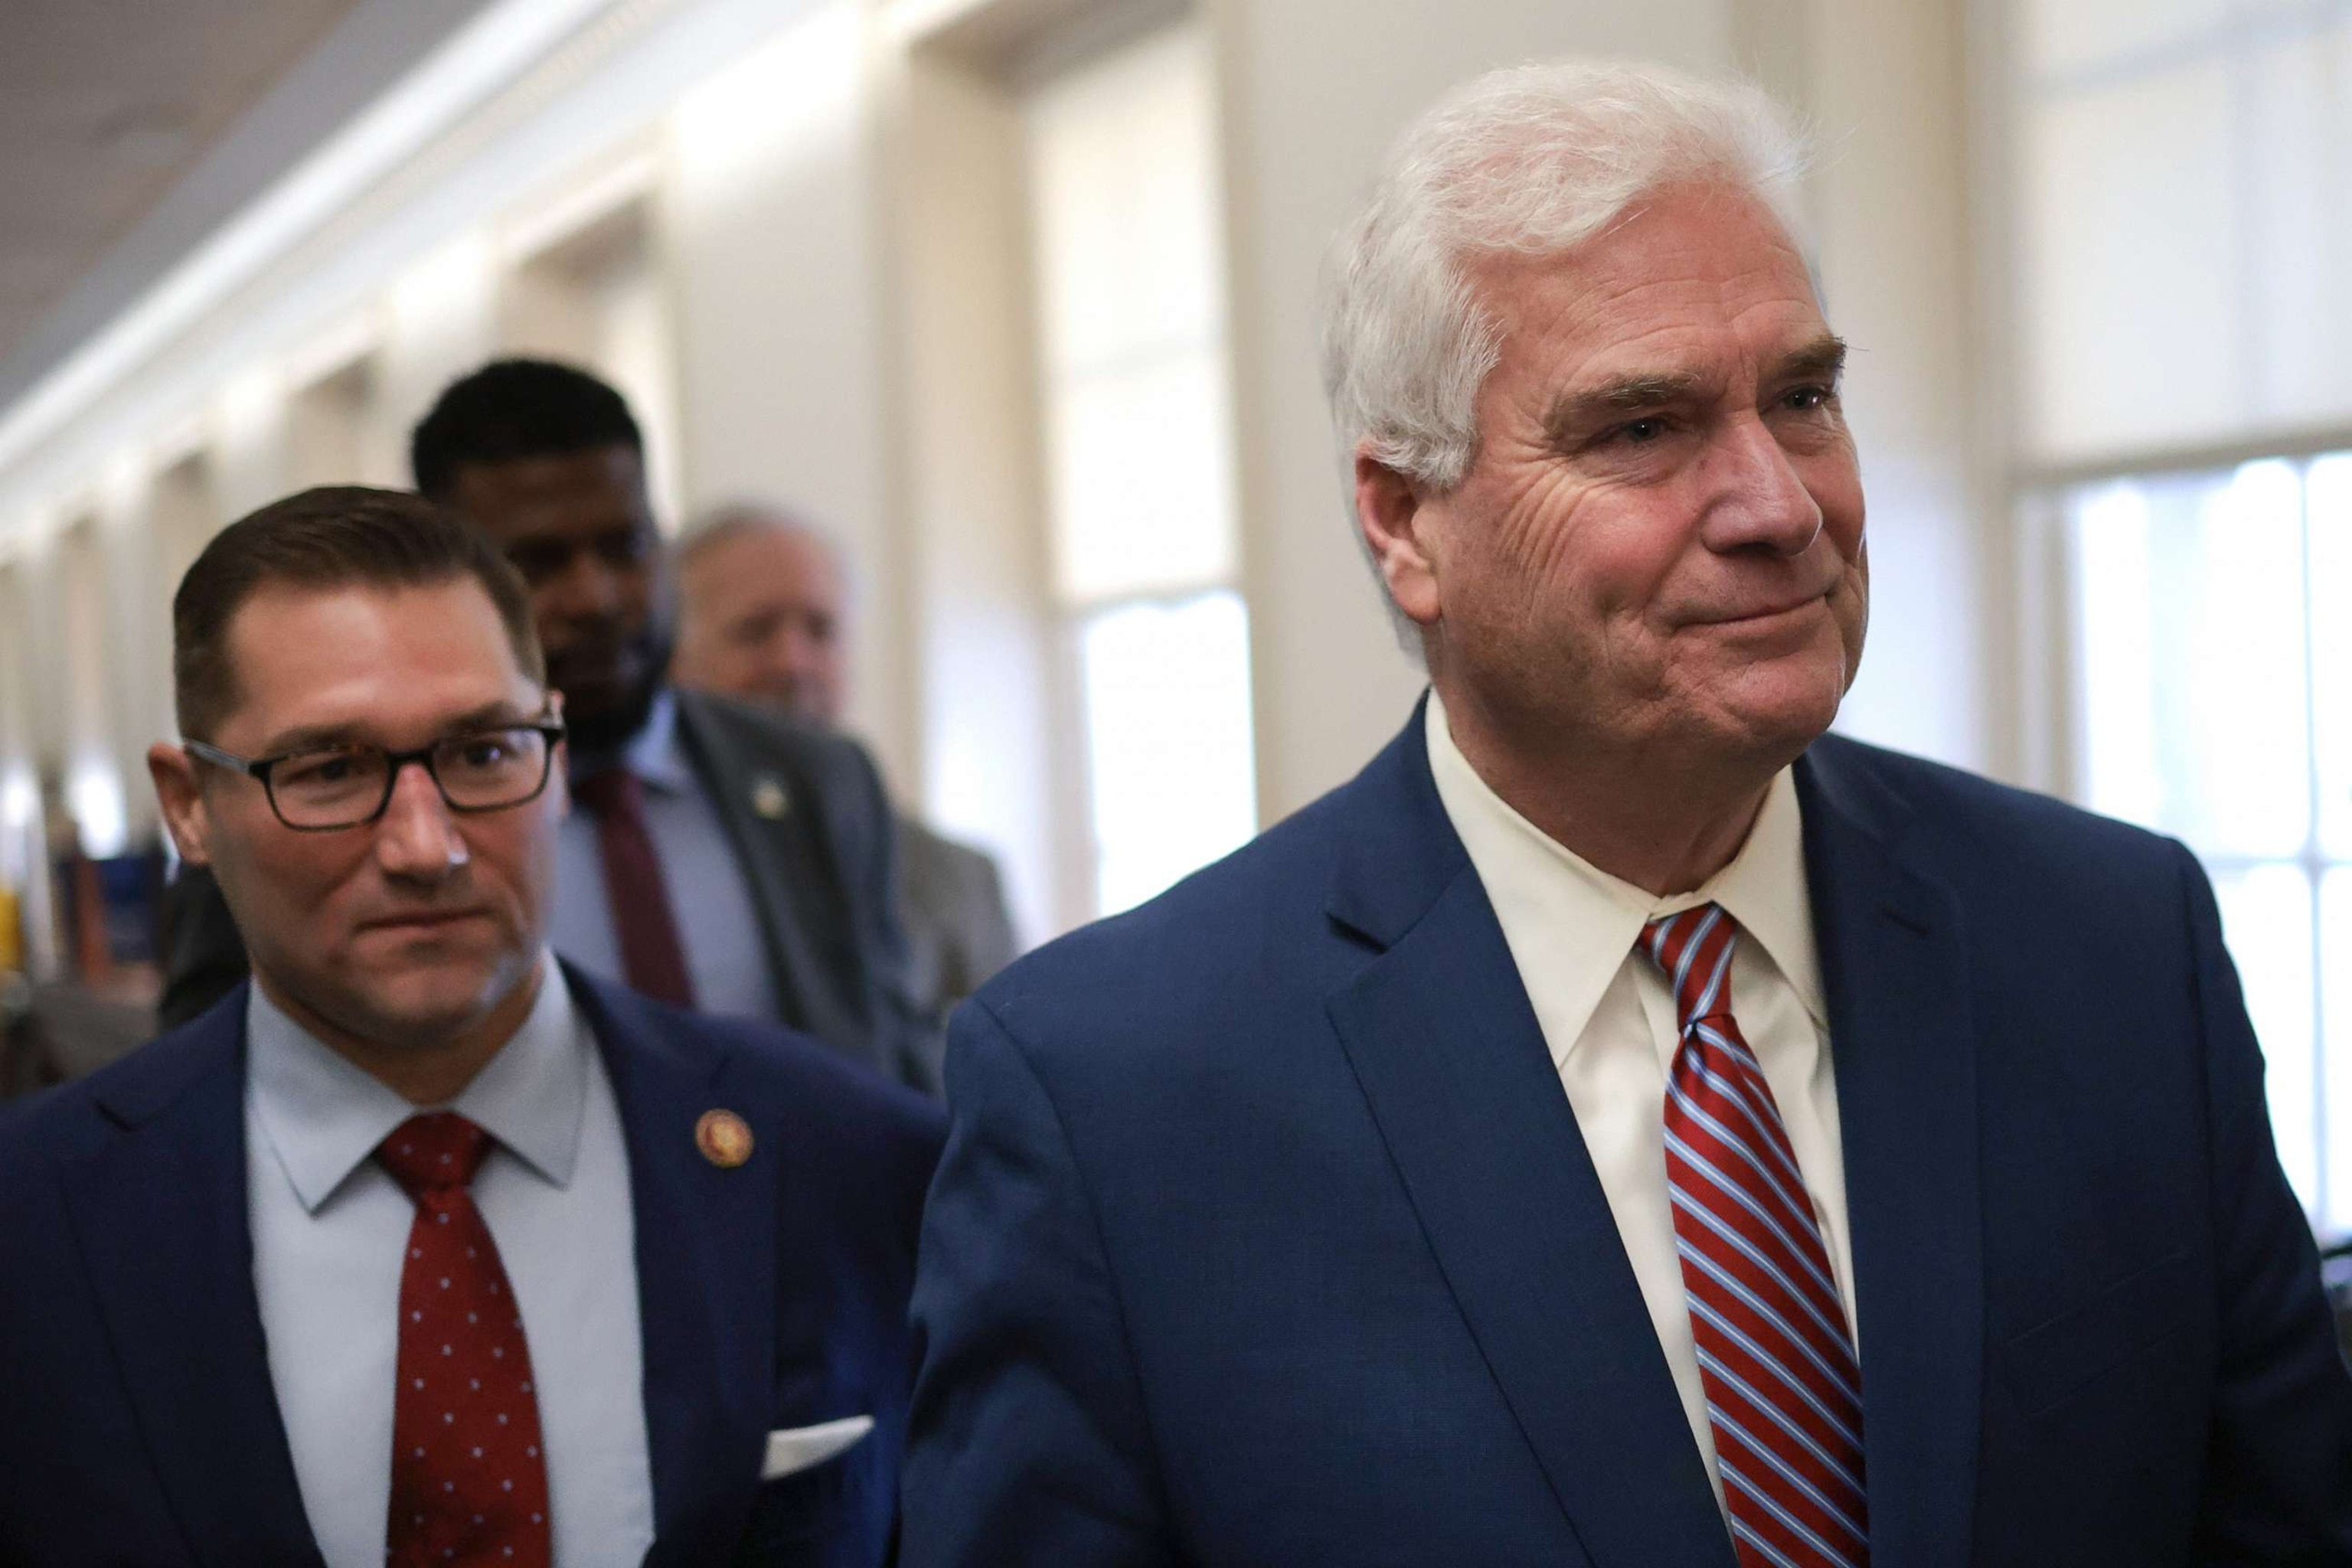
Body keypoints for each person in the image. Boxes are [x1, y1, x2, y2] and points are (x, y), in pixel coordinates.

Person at [899, 60, 2352, 1566]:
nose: (1778, 503)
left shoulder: (2115, 946)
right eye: (1642, 429)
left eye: (1802, 397)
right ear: (1406, 522)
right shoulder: (1114, 1095)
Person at [0, 488, 945, 1566]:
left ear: (554, 749)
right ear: (187, 807)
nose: (424, 845)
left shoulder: (850, 1163)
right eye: (330, 770)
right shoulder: (38, 1229)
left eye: (482, 754)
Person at [158, 360, 936, 1092]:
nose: (595, 597)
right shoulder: (279, 817)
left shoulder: (816, 778)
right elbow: (204, 1083)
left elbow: (888, 1052)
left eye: (623, 546)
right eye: (538, 560)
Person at [671, 503, 1018, 1032]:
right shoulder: (644, 858)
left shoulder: (959, 882)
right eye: (755, 631)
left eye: (820, 630)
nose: (794, 664)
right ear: (673, 654)